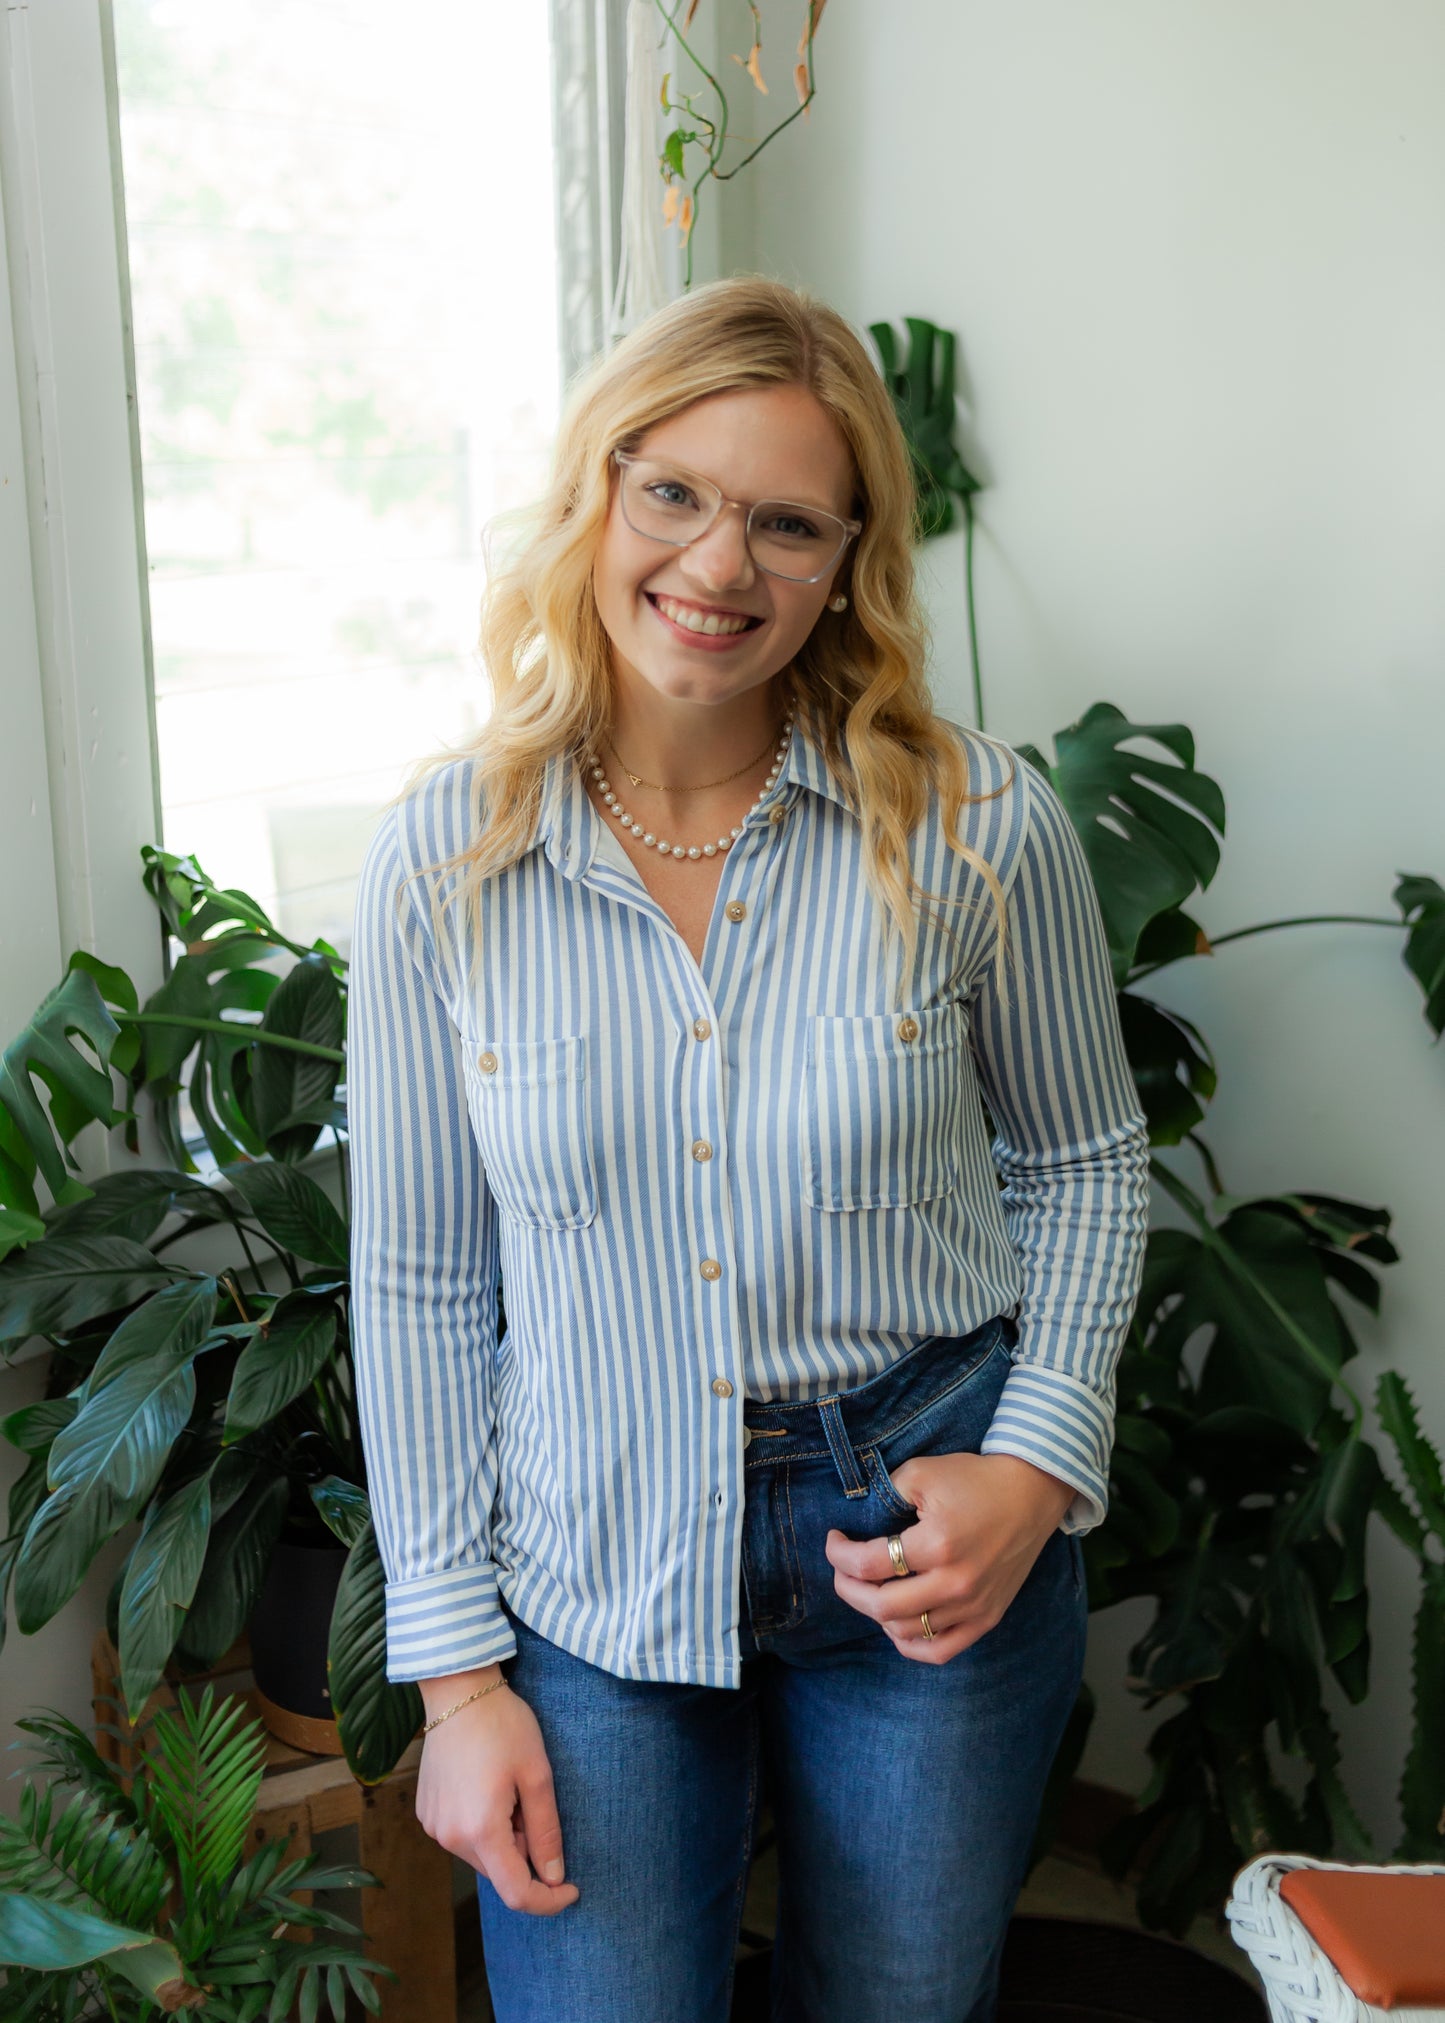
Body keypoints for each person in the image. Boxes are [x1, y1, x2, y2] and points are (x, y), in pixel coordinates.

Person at [347, 274, 1151, 2023]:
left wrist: (1034, 1467)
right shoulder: (442, 859)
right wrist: (457, 1683)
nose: (719, 567)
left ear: (850, 559)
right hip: (590, 1559)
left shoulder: (976, 825)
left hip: (924, 1534)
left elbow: (1086, 1160)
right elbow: (417, 1286)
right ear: (597, 491)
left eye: (787, 523)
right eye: (674, 495)